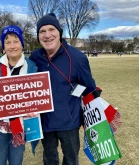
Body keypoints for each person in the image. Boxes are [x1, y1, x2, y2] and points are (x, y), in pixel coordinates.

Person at [29, 13, 96, 165]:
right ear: (38, 36)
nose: (47, 35)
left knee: (71, 160)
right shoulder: (34, 57)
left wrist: (71, 94)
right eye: (42, 31)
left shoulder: (77, 57)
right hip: (45, 121)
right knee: (49, 159)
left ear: (59, 32)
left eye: (51, 29)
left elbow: (89, 88)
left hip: (69, 122)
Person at [0, 25, 38, 165]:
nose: (12, 46)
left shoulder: (32, 67)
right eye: (7, 42)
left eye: (16, 41)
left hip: (20, 126)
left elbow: (38, 94)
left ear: (22, 44)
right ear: (3, 46)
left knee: (17, 161)